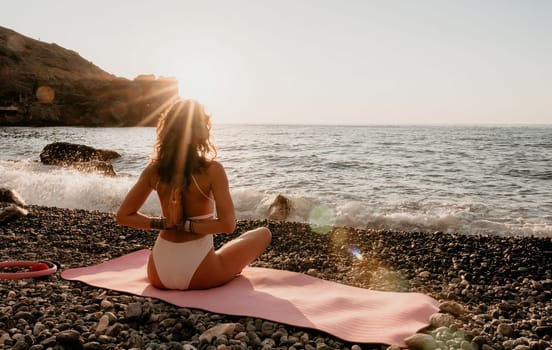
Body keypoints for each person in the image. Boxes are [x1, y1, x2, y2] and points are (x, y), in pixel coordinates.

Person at [116, 99, 271, 290]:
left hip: (158, 274)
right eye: (204, 123)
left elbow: (123, 216)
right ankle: (222, 264)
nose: (208, 127)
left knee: (229, 250)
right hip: (200, 274)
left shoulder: (154, 170)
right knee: (263, 233)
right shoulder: (213, 170)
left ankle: (218, 260)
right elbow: (228, 225)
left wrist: (165, 223)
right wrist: (187, 226)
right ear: (195, 131)